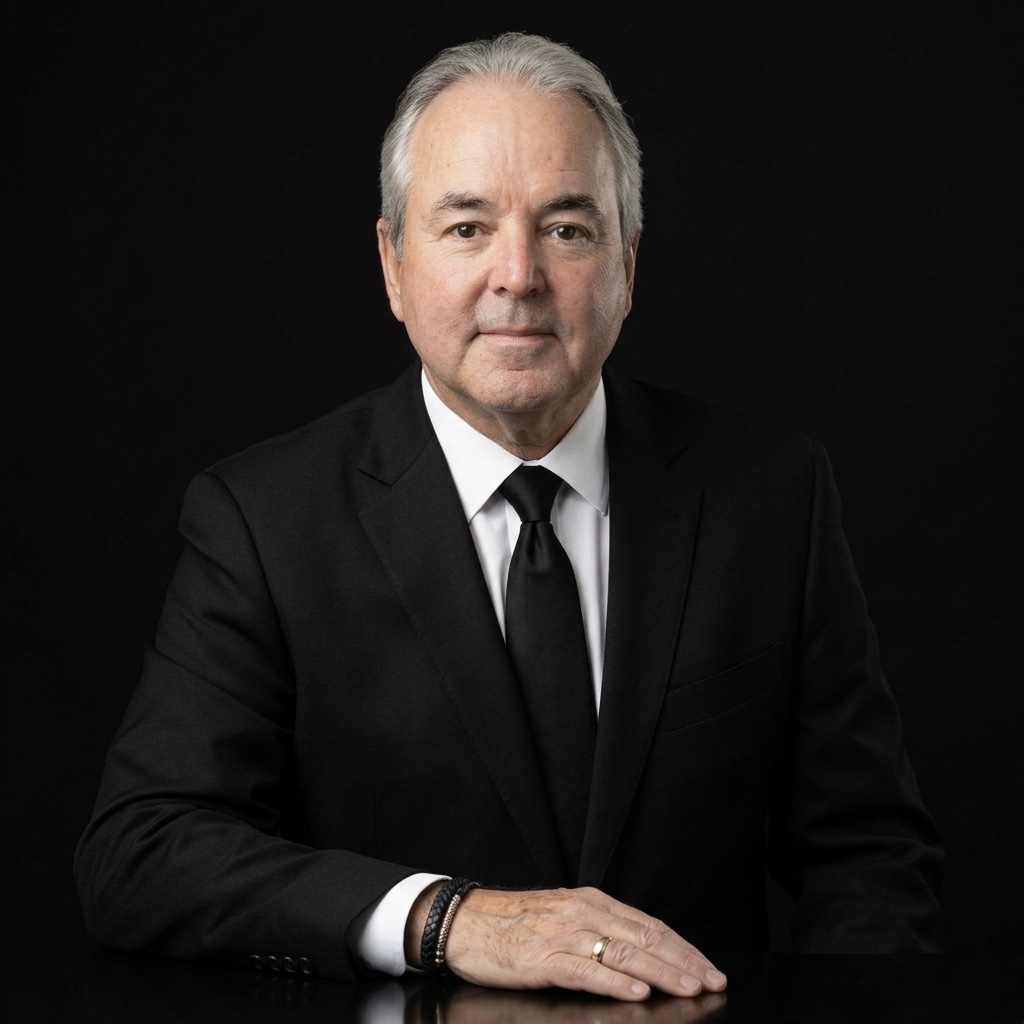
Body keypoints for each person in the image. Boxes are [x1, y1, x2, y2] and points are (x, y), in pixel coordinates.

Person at [74, 31, 943, 1002]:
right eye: (466, 227)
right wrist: (443, 917)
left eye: (568, 229)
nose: (519, 275)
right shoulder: (262, 521)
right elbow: (142, 854)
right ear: (392, 264)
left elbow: (867, 856)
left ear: (628, 263)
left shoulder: (769, 495)